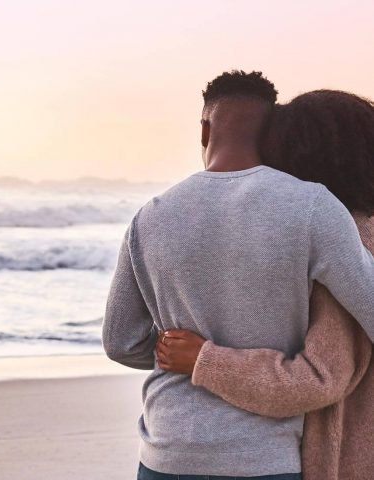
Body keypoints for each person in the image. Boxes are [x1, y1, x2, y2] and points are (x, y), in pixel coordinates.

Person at [102, 71, 374, 479]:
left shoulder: (151, 216)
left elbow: (121, 342)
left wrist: (180, 352)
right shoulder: (314, 208)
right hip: (264, 456)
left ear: (204, 129)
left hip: (166, 452)